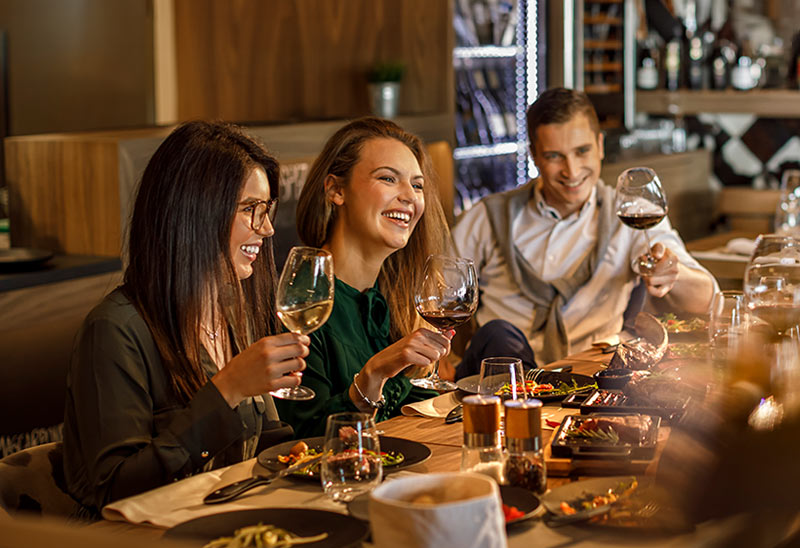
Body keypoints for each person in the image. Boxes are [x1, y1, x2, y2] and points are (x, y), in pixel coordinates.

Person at [63, 121, 310, 512]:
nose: (265, 228)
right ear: (193, 213)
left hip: (226, 526)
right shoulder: (114, 330)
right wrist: (226, 389)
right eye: (250, 209)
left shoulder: (233, 312)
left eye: (267, 210)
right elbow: (114, 490)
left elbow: (263, 443)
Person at [452, 88, 717, 372]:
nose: (572, 170)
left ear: (600, 146)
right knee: (499, 336)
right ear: (534, 156)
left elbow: (707, 299)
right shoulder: (486, 217)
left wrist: (673, 273)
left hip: (591, 379)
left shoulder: (631, 214)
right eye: (555, 156)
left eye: (582, 151)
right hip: (500, 384)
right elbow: (433, 291)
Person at [274, 117, 453, 437]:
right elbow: (299, 441)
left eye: (417, 185)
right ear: (336, 189)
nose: (410, 197)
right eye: (388, 178)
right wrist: (373, 375)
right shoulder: (300, 302)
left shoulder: (400, 297)